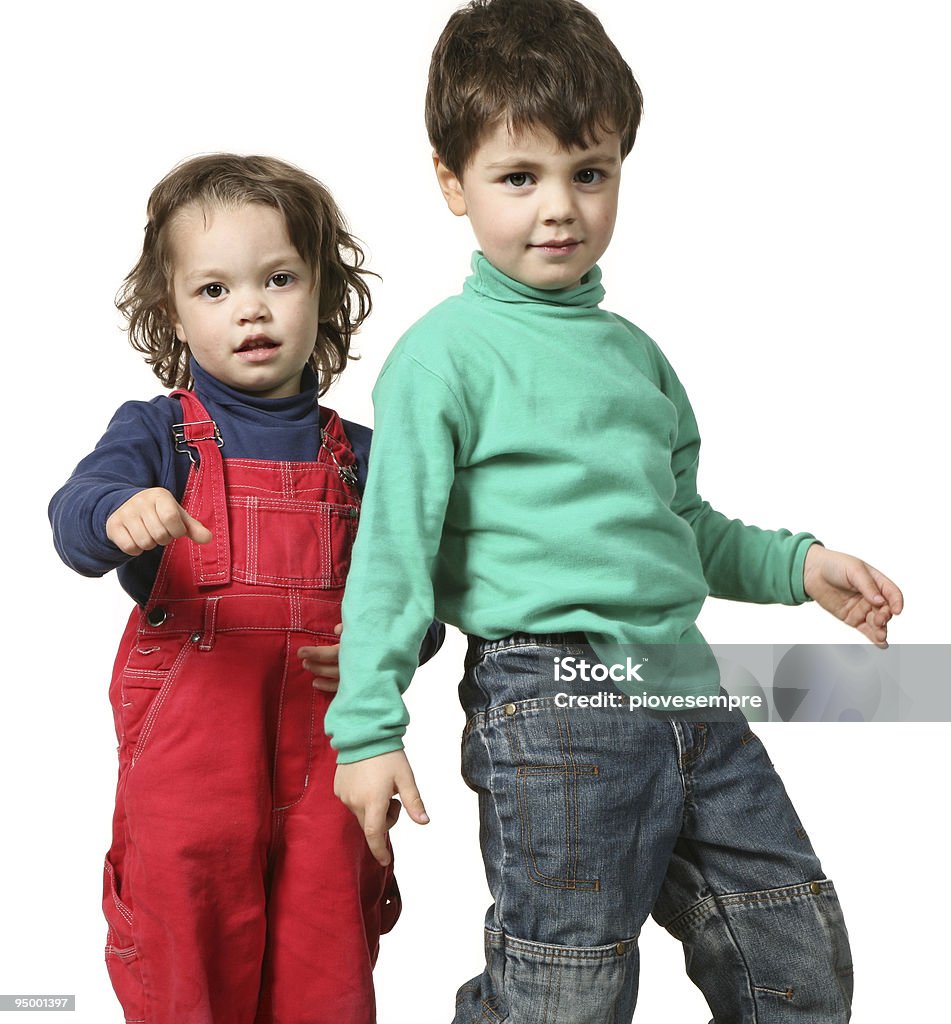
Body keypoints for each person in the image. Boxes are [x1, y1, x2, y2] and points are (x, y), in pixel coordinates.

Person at [324, 2, 903, 1022]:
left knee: (795, 956)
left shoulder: (638, 358)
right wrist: (367, 730)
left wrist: (801, 566)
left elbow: (682, 526)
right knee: (567, 988)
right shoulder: (443, 357)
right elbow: (392, 556)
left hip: (689, 695)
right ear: (452, 183)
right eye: (520, 177)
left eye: (588, 173)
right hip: (552, 698)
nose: (560, 208)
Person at [49, 153, 442, 1024]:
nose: (252, 307)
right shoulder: (158, 435)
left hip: (332, 755)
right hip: (193, 759)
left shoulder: (366, 456)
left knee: (326, 957)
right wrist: (119, 511)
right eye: (214, 290)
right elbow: (72, 519)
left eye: (278, 278)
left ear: (325, 294)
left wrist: (388, 649)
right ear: (173, 314)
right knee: (186, 952)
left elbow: (424, 599)